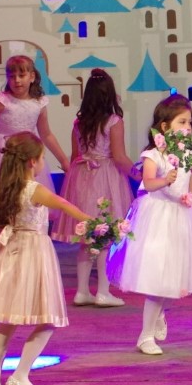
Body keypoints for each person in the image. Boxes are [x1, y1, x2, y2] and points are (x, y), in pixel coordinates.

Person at [0, 133, 91, 385]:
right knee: (48, 319)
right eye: (42, 158)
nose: (43, 163)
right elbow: (63, 204)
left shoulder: (8, 187)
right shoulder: (34, 189)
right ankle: (20, 374)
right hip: (32, 254)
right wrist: (93, 221)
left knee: (7, 323)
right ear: (31, 162)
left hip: (10, 254)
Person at [107, 95, 192, 356]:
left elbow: (191, 191)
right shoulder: (153, 155)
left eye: (189, 122)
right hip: (157, 219)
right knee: (158, 280)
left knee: (176, 281)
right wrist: (164, 180)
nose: (187, 127)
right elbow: (148, 183)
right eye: (181, 122)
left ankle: (160, 312)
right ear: (164, 127)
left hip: (181, 220)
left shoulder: (188, 156)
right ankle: (145, 336)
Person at [51, 69, 134, 307]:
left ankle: (82, 291)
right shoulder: (114, 121)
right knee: (105, 235)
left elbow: (75, 156)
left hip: (81, 178)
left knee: (87, 236)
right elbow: (119, 157)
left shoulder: (79, 123)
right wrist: (137, 173)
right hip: (106, 178)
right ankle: (103, 292)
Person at [0, 55, 70, 215]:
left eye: (22, 75)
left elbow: (46, 135)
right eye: (12, 76)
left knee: (25, 202)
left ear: (32, 77)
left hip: (26, 153)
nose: (17, 80)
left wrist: (64, 160)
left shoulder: (39, 103)